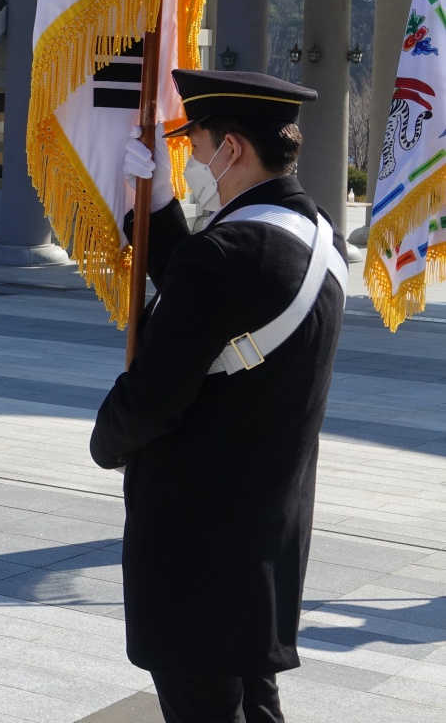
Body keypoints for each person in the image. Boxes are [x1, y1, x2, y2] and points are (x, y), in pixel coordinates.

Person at [92, 69, 347, 723]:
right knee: (254, 705)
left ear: (232, 149)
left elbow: (155, 394)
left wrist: (104, 439)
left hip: (197, 545)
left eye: (197, 148)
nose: (193, 162)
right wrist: (152, 211)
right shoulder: (318, 238)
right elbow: (220, 300)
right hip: (264, 532)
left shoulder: (227, 254)